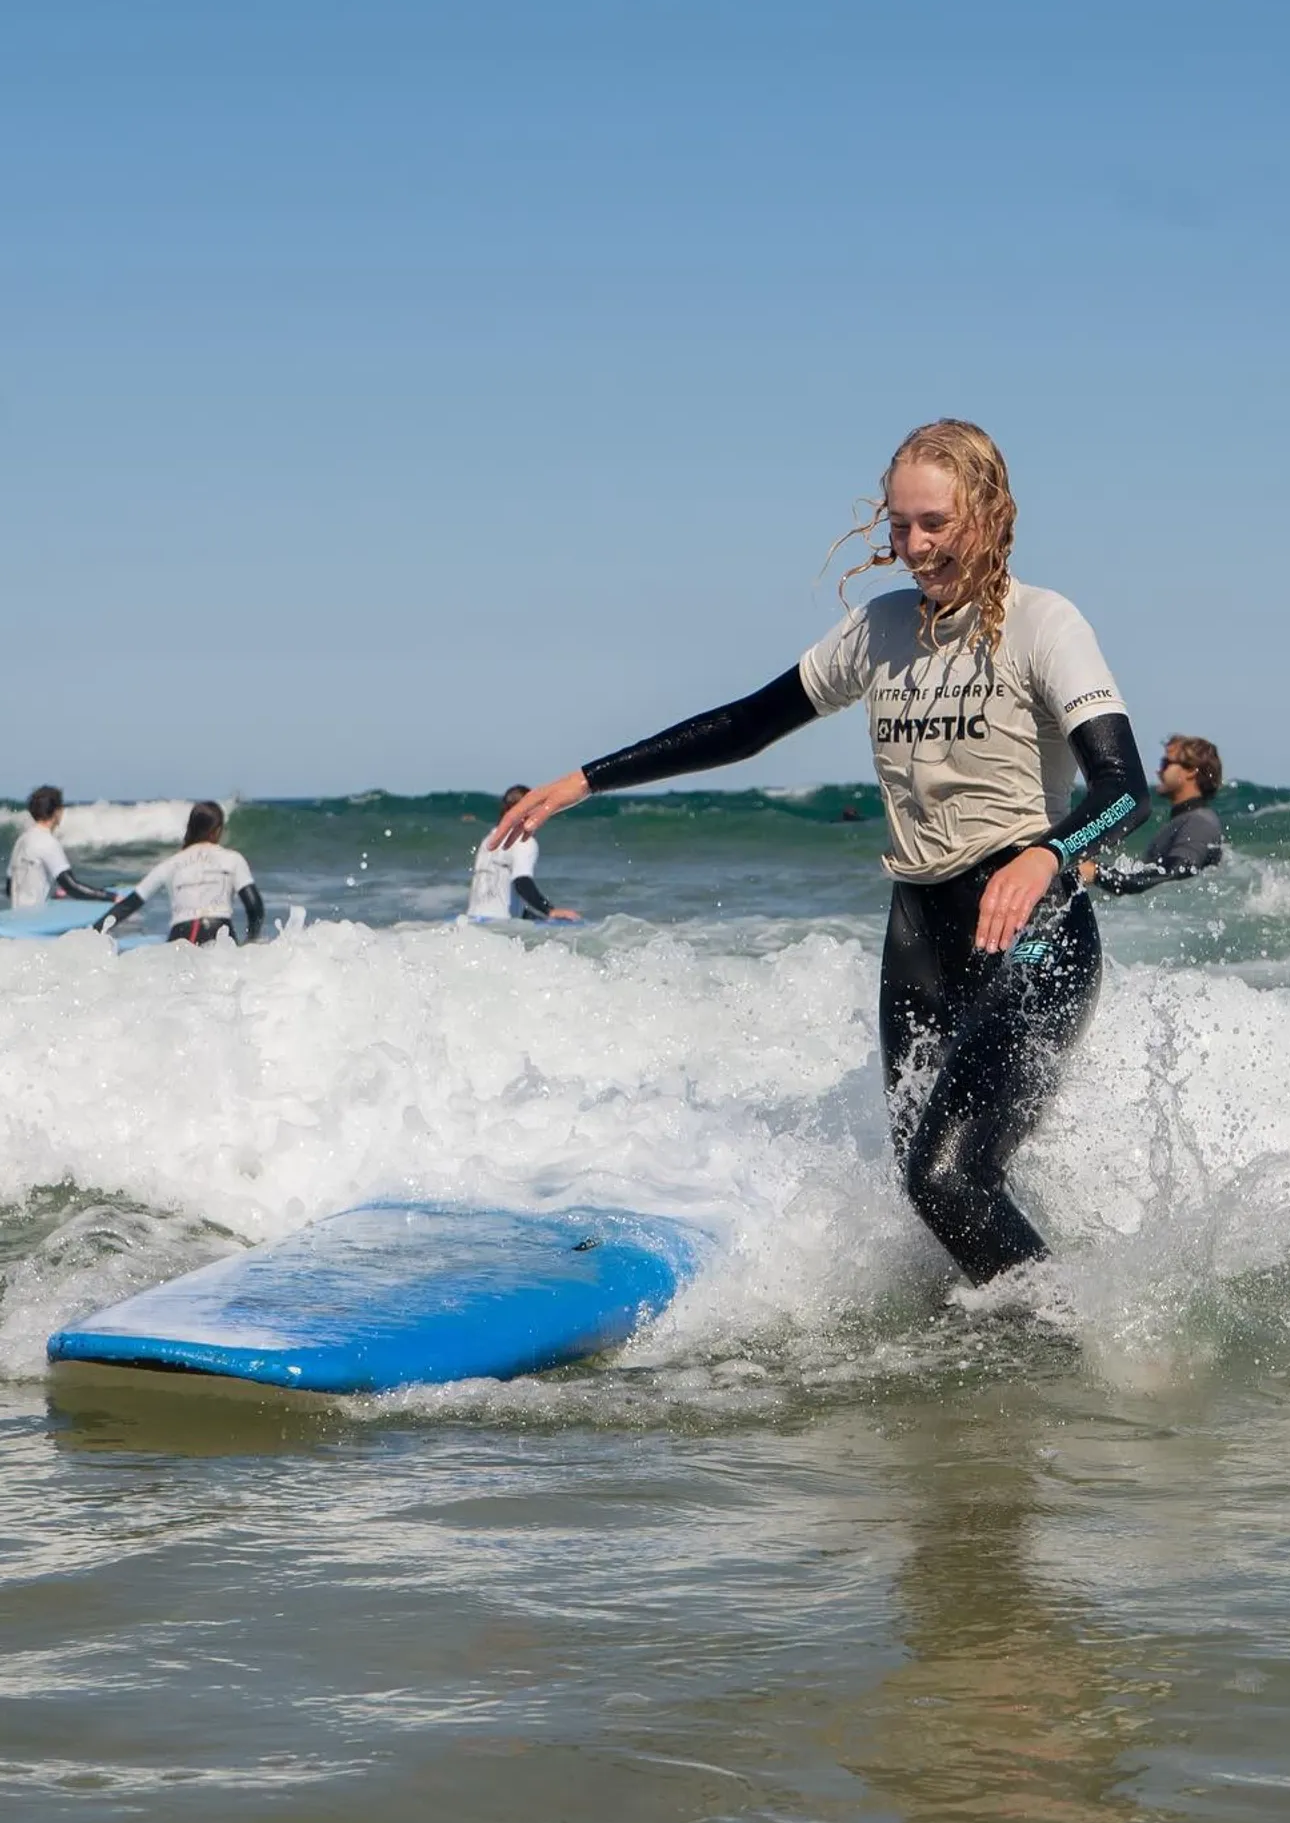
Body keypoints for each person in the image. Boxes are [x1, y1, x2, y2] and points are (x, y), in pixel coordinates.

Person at [488, 420, 1151, 1285]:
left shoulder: (1044, 624)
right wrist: (587, 779)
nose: (914, 547)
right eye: (900, 525)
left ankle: (1070, 1351)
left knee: (946, 1178)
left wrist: (1046, 856)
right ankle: (990, 1388)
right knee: (932, 1191)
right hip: (919, 942)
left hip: (1034, 942)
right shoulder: (879, 632)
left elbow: (1126, 786)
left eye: (935, 523)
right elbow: (750, 722)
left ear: (988, 513)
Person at [96, 802, 265, 945]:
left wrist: (94, 932)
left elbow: (130, 903)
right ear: (217, 830)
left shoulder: (170, 864)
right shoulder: (233, 859)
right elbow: (254, 906)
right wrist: (251, 940)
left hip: (181, 934)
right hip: (219, 931)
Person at [1086, 735, 1224, 895]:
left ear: (1192, 771)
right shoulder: (1185, 820)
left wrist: (1097, 873)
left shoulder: (1199, 823)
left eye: (1166, 764)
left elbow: (1177, 872)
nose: (1158, 771)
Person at [466, 786, 581, 924]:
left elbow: (502, 896)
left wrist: (537, 916)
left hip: (473, 921)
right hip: (500, 927)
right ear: (524, 810)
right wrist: (550, 911)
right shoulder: (523, 841)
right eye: (537, 807)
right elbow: (522, 882)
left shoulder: (489, 840)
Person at [5, 786, 117, 910]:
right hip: (38, 921)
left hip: (17, 916)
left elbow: (10, 888)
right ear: (57, 812)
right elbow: (73, 887)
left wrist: (50, 895)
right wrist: (111, 897)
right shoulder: (48, 842)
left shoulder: (22, 840)